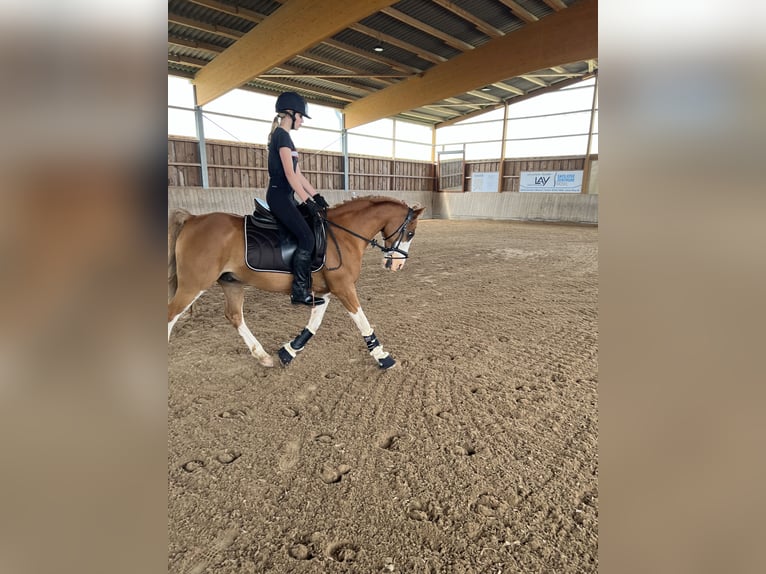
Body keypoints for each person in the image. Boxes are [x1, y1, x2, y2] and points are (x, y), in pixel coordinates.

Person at [266, 91, 330, 306]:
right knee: (307, 238)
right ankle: (299, 291)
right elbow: (290, 175)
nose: (302, 121)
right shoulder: (281, 137)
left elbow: (299, 175)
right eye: (301, 117)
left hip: (287, 195)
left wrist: (316, 196)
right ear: (291, 114)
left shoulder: (287, 139)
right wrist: (307, 202)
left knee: (312, 227)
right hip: (279, 196)